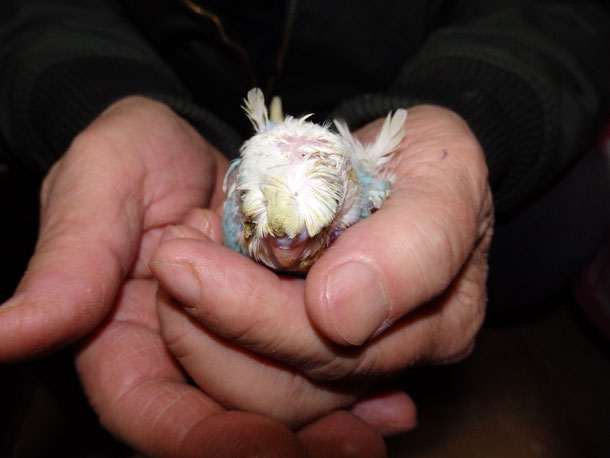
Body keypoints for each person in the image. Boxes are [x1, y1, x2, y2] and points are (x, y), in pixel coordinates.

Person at [1, 1, 609, 456]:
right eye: (271, 229)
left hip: (416, 85)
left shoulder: (364, 190)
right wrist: (90, 95)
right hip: (172, 103)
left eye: (312, 230)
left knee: (565, 215)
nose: (290, 247)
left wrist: (475, 107)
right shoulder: (243, 207)